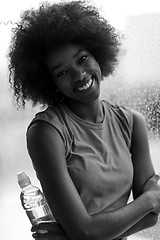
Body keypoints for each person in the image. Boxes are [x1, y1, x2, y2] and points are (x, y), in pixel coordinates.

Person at [8, 1, 160, 239]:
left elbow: (152, 216)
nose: (79, 74)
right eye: (62, 72)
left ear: (98, 54)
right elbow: (86, 232)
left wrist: (77, 237)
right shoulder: (47, 132)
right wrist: (149, 199)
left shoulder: (132, 122)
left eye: (82, 59)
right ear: (51, 83)